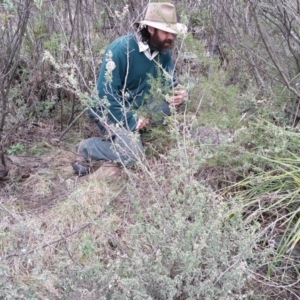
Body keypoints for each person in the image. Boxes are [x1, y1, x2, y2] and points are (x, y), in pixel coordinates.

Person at [72, 2, 188, 176]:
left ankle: (133, 135)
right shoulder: (120, 49)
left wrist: (180, 94)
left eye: (173, 33)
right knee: (133, 154)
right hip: (109, 110)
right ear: (150, 29)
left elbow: (170, 84)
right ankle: (87, 148)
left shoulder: (163, 52)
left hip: (139, 106)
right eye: (166, 32)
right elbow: (106, 95)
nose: (170, 38)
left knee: (173, 104)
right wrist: (131, 120)